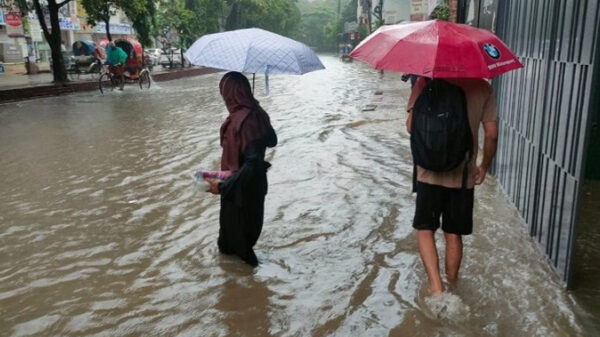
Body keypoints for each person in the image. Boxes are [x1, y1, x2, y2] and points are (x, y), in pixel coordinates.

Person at [406, 77, 498, 295]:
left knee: (425, 229)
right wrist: (484, 166)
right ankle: (453, 285)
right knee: (453, 233)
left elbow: (410, 127)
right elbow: (492, 135)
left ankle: (436, 287)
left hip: (428, 172)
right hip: (463, 174)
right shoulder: (482, 87)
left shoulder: (424, 82)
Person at [205, 72, 278, 267]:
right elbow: (272, 140)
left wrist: (222, 187)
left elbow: (251, 164)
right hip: (247, 187)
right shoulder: (254, 115)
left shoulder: (247, 120)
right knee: (228, 246)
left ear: (230, 94)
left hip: (241, 193)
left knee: (239, 247)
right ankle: (242, 287)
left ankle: (253, 290)